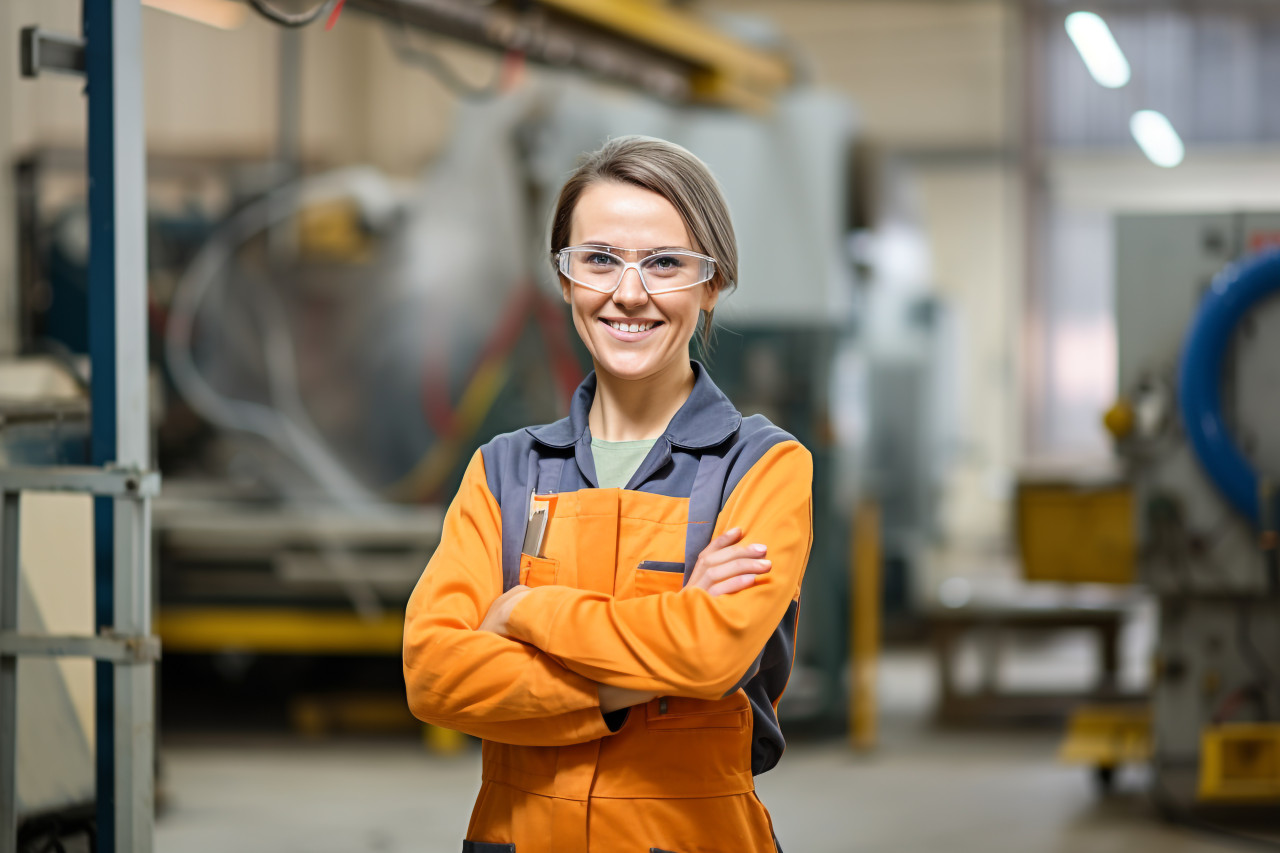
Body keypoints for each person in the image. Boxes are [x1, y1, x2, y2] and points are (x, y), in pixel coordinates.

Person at [403, 136, 813, 853]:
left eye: (664, 263)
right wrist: (652, 660)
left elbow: (712, 655)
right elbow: (435, 674)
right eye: (598, 259)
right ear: (564, 279)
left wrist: (524, 610)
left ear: (712, 282)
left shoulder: (762, 467)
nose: (628, 293)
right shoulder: (504, 470)